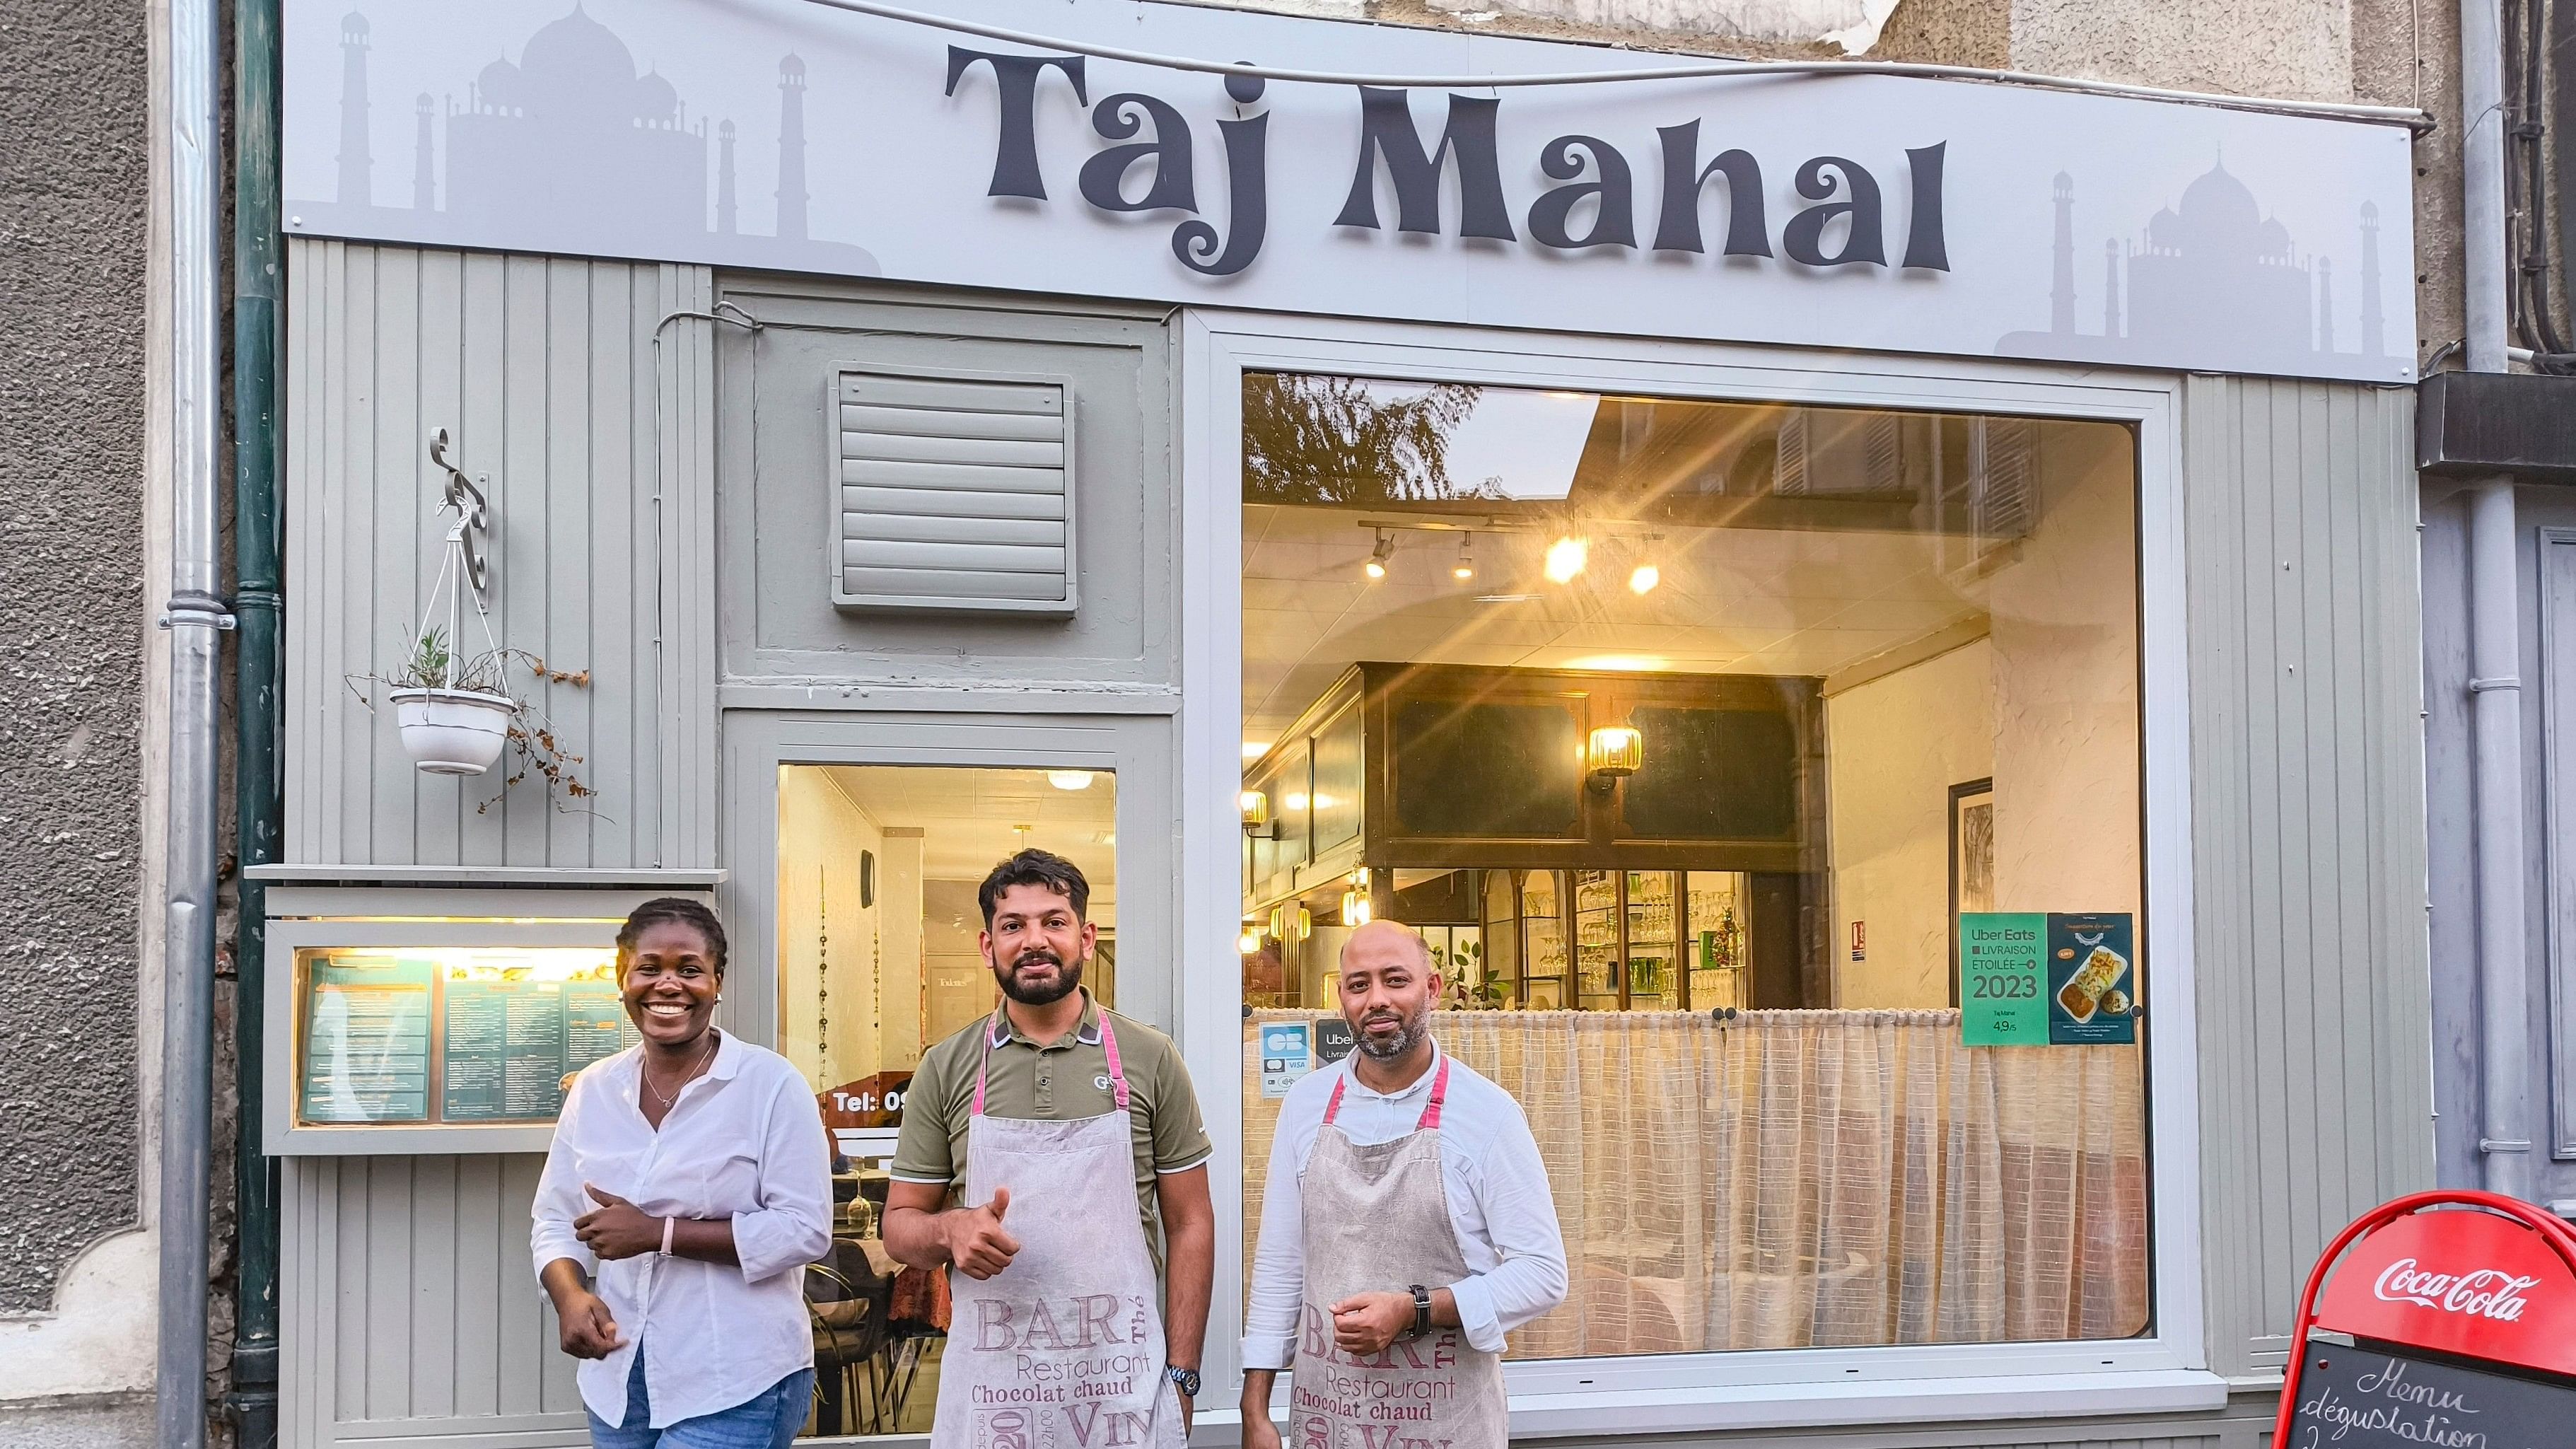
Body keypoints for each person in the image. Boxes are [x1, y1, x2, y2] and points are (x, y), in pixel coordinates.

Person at [882, 849, 1215, 1448]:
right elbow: (899, 1227)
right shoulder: (947, 1066)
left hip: (1122, 1388)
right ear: (988, 945)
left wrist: (1183, 1376)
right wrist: (948, 1231)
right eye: (1013, 925)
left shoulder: (1149, 1057)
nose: (1034, 940)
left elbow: (1190, 1222)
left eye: (1053, 921)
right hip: (994, 1394)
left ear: (1085, 937)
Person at [1240, 920, 1569, 1449]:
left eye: (1395, 980)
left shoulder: (1487, 1114)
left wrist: (1414, 1309)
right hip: (1329, 1419)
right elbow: (1282, 1262)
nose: (1377, 1000)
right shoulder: (1305, 1104)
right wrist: (1254, 1406)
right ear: (1341, 997)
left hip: (1448, 1423)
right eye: (1358, 984)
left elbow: (1543, 1274)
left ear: (1431, 988)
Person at [532, 898, 833, 1448]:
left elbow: (803, 1228)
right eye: (649, 967)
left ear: (717, 982)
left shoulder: (770, 1085)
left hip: (735, 1377)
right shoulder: (595, 1089)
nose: (667, 984)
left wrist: (660, 1234)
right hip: (619, 1374)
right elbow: (553, 1218)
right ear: (622, 979)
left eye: (689, 969)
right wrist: (569, 1295)